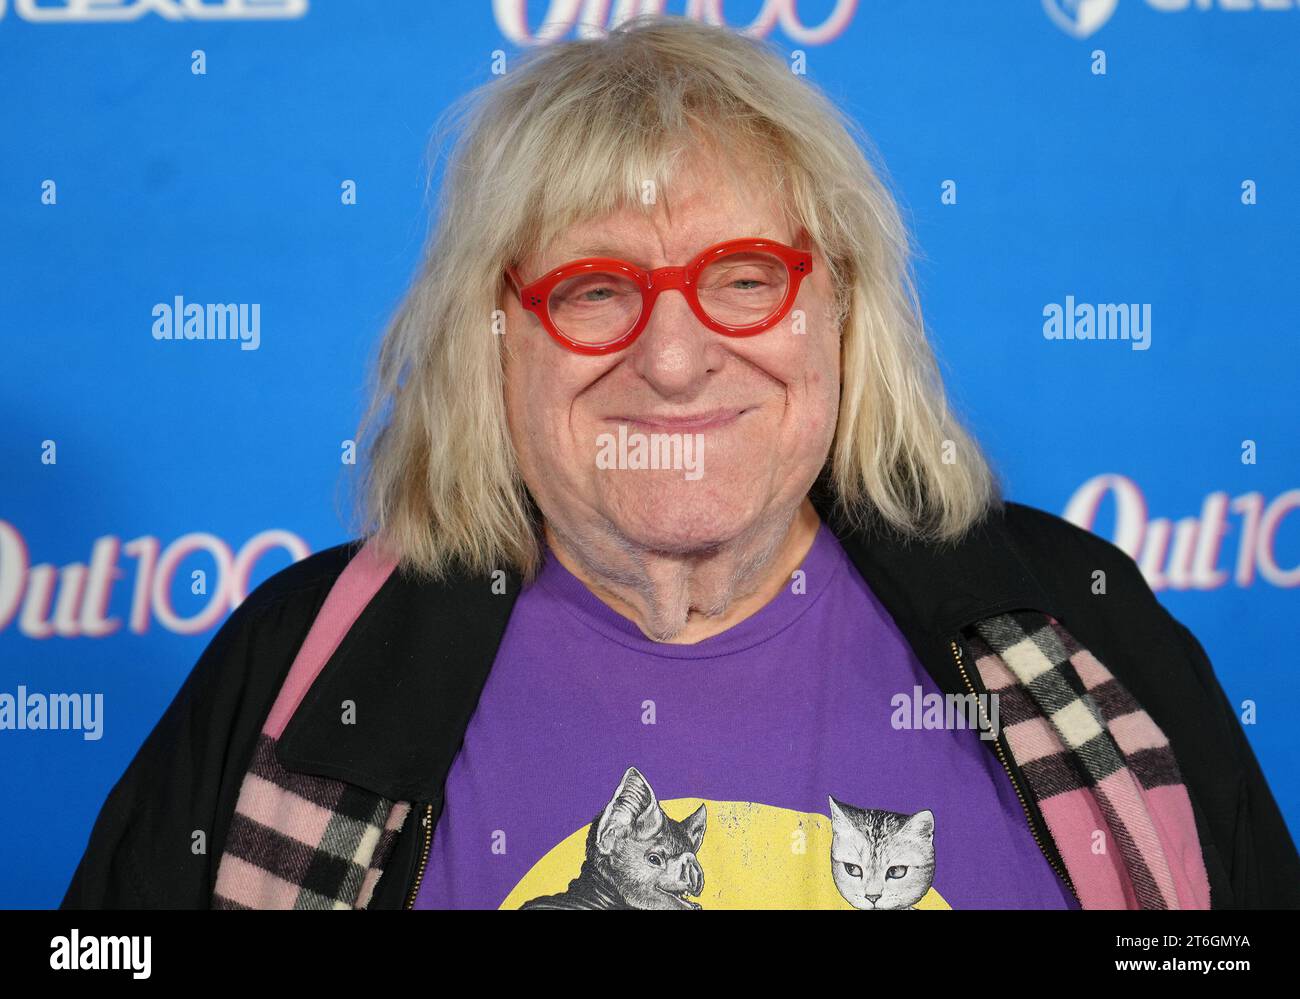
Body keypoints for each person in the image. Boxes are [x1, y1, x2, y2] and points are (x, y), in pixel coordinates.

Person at [62, 15, 1298, 910]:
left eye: (745, 280)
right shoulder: (304, 665)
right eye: (595, 290)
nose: (672, 358)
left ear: (843, 314)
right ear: (490, 337)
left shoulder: (1074, 627)